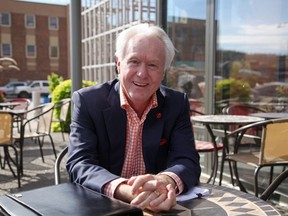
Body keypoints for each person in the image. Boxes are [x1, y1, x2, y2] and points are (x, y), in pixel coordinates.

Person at [66, 23, 201, 212]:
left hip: (160, 207)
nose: (142, 73)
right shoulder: (88, 101)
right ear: (119, 64)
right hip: (104, 206)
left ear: (163, 72)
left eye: (153, 65)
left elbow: (187, 160)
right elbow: (80, 163)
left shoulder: (176, 103)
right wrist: (126, 190)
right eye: (134, 61)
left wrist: (163, 181)